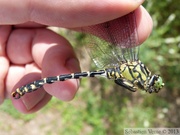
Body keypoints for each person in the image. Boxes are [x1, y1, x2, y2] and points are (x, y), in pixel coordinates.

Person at [0, 0, 152, 113]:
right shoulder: (136, 71)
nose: (149, 82)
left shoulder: (134, 72)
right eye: (151, 80)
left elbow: (129, 85)